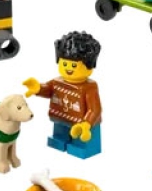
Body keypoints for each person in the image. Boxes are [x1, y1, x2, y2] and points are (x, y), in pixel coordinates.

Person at [23, 31, 103, 159]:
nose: (68, 68)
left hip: (82, 124)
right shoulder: (58, 81)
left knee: (82, 141)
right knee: (60, 133)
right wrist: (38, 88)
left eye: (74, 65)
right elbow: (49, 90)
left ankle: (81, 147)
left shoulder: (89, 87)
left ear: (89, 66)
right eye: (64, 64)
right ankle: (59, 141)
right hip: (61, 117)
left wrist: (87, 123)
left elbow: (95, 109)